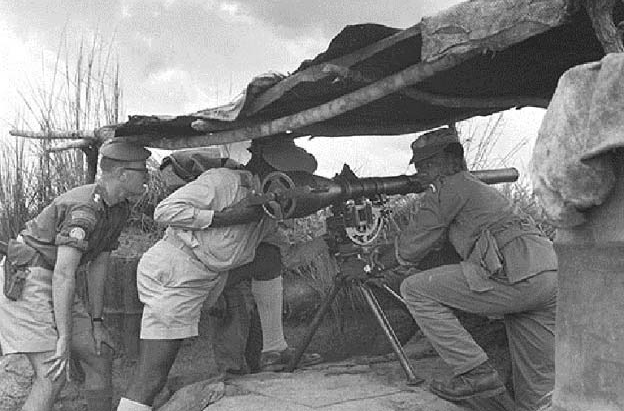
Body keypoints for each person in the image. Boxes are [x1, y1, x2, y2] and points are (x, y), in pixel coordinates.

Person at [348, 127, 557, 411]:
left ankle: (475, 373)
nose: (422, 173)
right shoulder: (476, 189)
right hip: (548, 274)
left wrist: (370, 264)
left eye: (428, 165)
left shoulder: (450, 187)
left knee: (416, 290)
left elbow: (411, 245)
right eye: (419, 166)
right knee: (538, 389)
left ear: (451, 162)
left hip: (514, 274)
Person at [117, 136, 321, 411]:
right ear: (270, 170)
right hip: (176, 274)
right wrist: (227, 217)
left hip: (210, 273)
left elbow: (284, 257)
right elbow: (164, 211)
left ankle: (275, 349)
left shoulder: (268, 212)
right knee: (152, 376)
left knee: (268, 255)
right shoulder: (223, 181)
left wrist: (328, 241)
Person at [0, 141, 151, 411]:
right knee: (52, 373)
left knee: (99, 353)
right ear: (122, 175)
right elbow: (64, 273)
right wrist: (64, 338)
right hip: (28, 277)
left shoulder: (118, 208)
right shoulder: (85, 209)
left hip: (53, 278)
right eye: (142, 171)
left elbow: (98, 264)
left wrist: (96, 321)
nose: (147, 177)